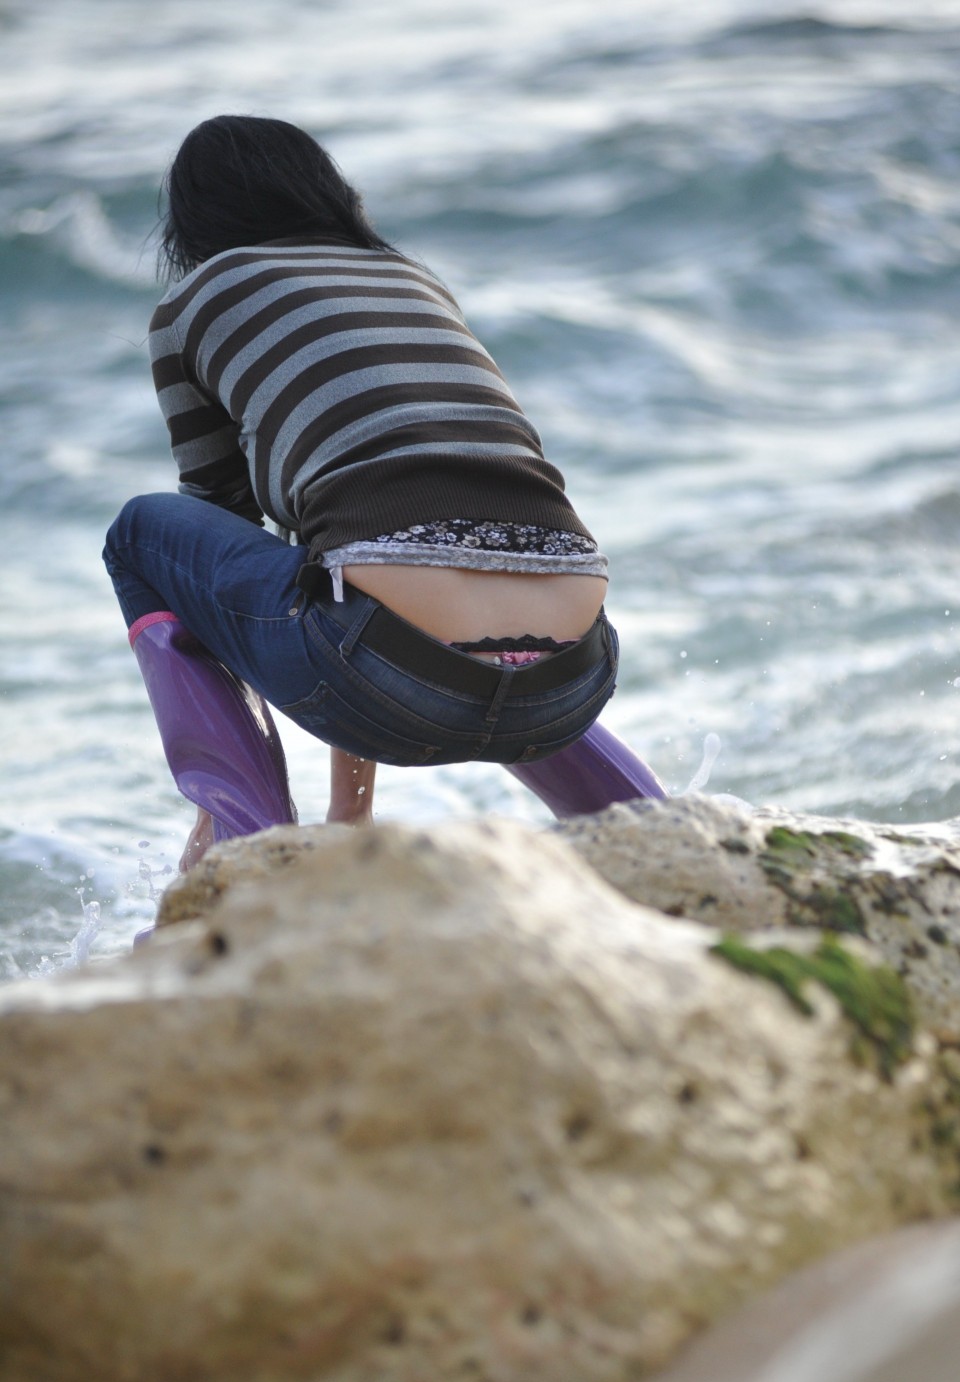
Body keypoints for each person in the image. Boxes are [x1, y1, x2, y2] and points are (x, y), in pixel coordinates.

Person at [103, 115, 618, 866]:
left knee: (141, 537)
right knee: (495, 611)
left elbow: (225, 531)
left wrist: (341, 806)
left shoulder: (195, 301)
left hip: (392, 682)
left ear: (195, 216)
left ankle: (241, 830)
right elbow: (354, 560)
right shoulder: (413, 278)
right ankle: (632, 816)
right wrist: (352, 809)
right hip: (575, 685)